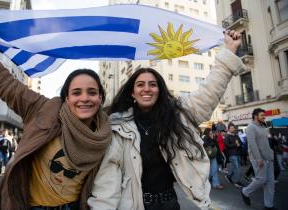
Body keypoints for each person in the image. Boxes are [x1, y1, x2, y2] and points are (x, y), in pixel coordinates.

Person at [88, 30, 244, 210]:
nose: (147, 89)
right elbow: (107, 180)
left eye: (152, 84)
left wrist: (229, 50)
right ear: (132, 92)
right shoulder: (116, 126)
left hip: (169, 204)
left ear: (159, 90)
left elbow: (208, 92)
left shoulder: (178, 115)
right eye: (140, 84)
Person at [0, 37, 112, 210]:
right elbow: (3, 81)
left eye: (92, 92)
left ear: (100, 98)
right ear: (67, 98)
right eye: (76, 93)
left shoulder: (105, 134)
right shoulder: (43, 109)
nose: (84, 98)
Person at [241, 108, 275, 210]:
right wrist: (258, 158)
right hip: (259, 158)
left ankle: (268, 205)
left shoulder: (262, 126)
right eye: (262, 115)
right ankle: (245, 191)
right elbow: (252, 144)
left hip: (268, 158)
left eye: (264, 115)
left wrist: (271, 154)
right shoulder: (251, 127)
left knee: (270, 183)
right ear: (256, 116)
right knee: (261, 179)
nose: (264, 117)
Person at [224, 122, 244, 188]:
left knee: (234, 167)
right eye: (231, 128)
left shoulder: (236, 136)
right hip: (232, 154)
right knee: (237, 168)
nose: (233, 129)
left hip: (238, 153)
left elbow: (240, 143)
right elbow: (227, 145)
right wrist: (236, 144)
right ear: (229, 129)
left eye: (233, 128)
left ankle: (228, 176)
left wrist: (239, 144)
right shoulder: (227, 136)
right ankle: (237, 182)